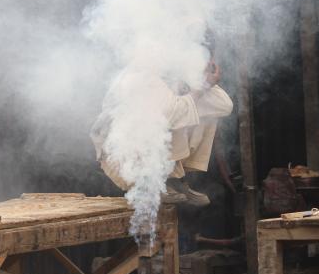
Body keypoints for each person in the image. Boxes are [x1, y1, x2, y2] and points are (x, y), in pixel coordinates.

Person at [91, 51, 233, 207]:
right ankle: (148, 183)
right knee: (176, 113)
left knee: (196, 109)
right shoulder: (144, 72)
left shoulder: (176, 74)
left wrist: (204, 81)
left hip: (147, 155)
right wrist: (199, 89)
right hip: (121, 161)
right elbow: (169, 115)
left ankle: (171, 178)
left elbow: (224, 106)